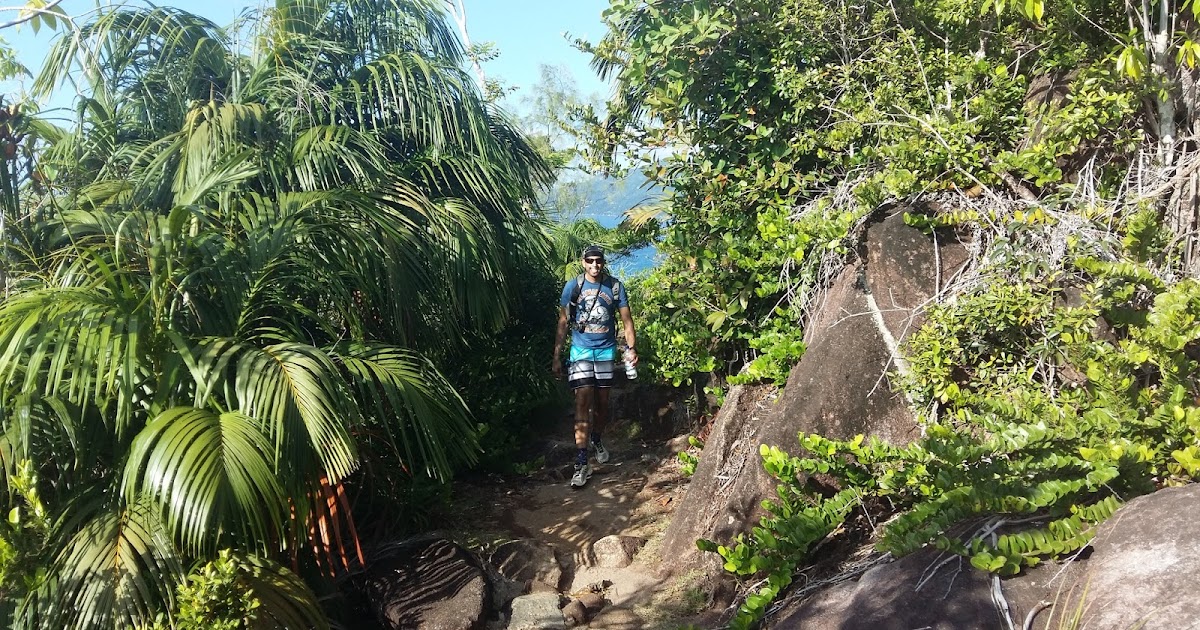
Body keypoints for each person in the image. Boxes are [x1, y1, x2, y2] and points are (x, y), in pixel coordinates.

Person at [552, 245, 638, 488]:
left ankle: (596, 438)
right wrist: (557, 355)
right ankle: (581, 461)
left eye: (598, 261)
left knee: (602, 404)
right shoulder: (573, 286)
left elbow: (627, 321)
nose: (594, 265)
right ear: (583, 262)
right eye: (590, 261)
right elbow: (563, 321)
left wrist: (631, 348)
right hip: (580, 351)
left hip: (605, 351)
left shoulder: (615, 286)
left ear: (603, 263)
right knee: (582, 400)